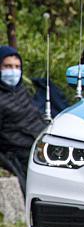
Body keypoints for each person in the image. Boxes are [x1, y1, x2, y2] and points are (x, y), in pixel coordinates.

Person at [0, 46, 48, 195]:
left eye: (17, 67)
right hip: (20, 152)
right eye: (7, 66)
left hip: (42, 142)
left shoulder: (20, 90)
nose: (13, 71)